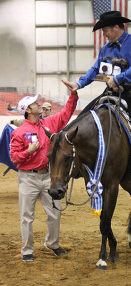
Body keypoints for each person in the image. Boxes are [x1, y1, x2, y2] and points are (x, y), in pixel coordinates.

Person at [62, 10, 131, 152]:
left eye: (105, 31)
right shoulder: (105, 49)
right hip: (109, 92)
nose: (104, 35)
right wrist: (78, 84)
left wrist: (118, 79)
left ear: (116, 27)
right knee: (81, 120)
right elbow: (95, 69)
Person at [10, 84, 78, 262]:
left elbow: (65, 115)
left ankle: (52, 243)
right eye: (34, 103)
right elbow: (15, 158)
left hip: (48, 176)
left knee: (55, 212)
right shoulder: (18, 133)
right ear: (28, 110)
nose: (39, 104)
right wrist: (29, 151)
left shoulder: (48, 123)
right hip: (28, 178)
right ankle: (27, 250)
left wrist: (73, 94)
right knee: (27, 216)